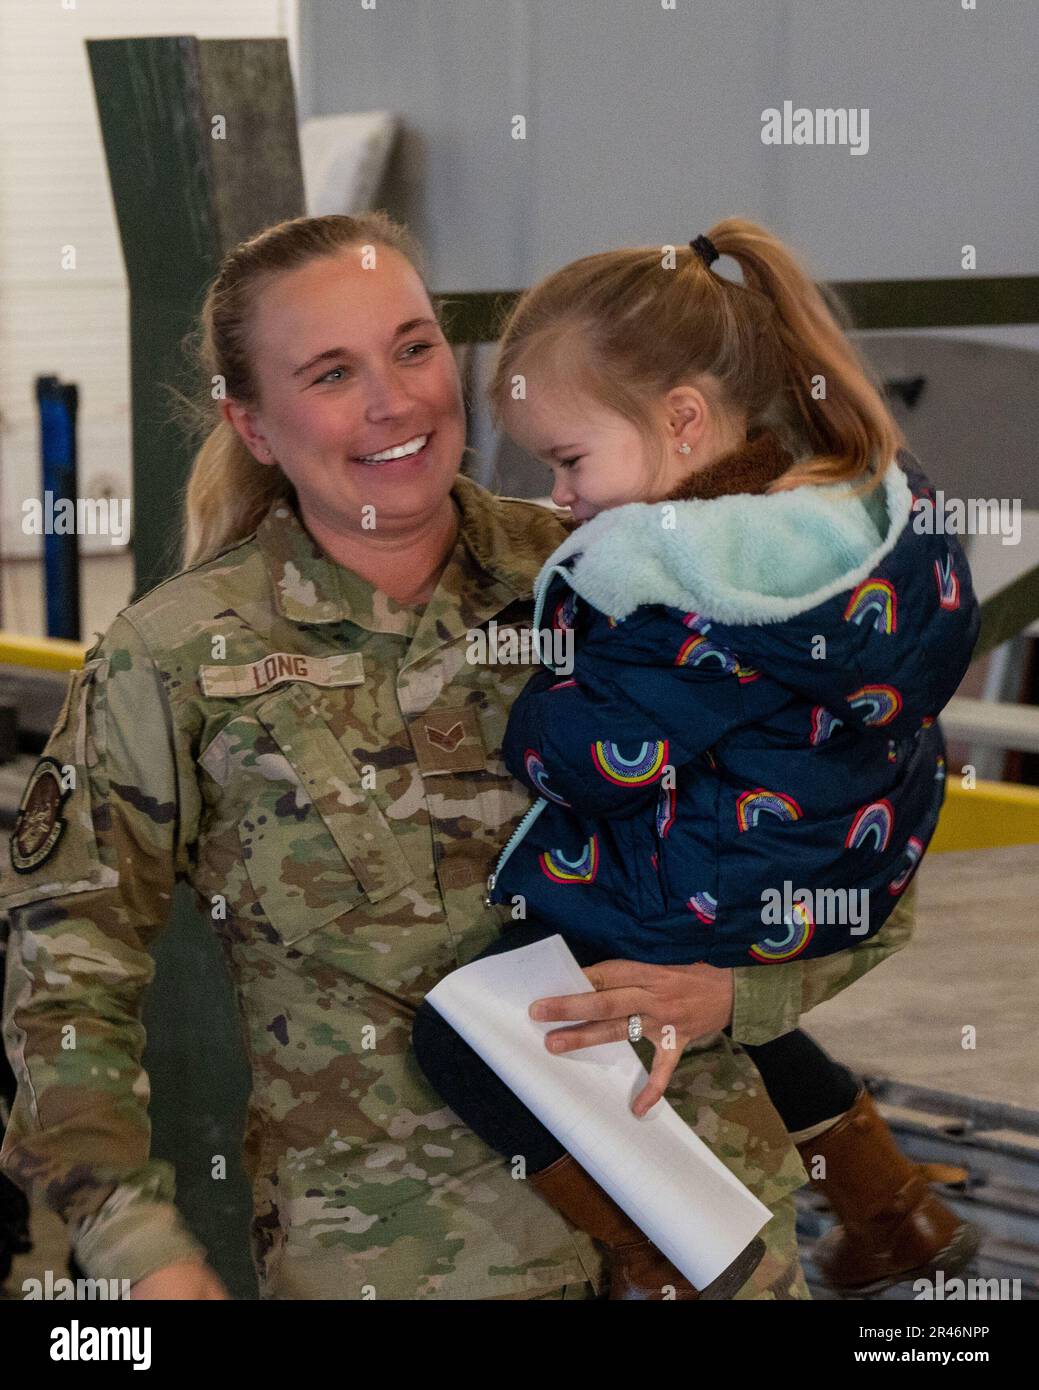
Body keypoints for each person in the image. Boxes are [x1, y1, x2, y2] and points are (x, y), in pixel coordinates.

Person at [0, 211, 914, 1301]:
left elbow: (874, 858)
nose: (394, 401)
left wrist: (734, 995)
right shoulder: (177, 663)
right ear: (252, 424)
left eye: (414, 347)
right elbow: (68, 984)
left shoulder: (632, 580)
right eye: (332, 373)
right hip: (405, 1265)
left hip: (715, 1247)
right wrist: (141, 1252)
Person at [412, 221, 981, 1298]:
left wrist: (530, 714)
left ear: (680, 419)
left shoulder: (688, 581)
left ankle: (658, 1260)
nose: (562, 500)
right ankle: (890, 1208)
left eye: (570, 461)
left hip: (737, 877)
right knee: (715, 1010)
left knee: (472, 1027)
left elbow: (591, 762)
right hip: (845, 864)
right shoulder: (852, 516)